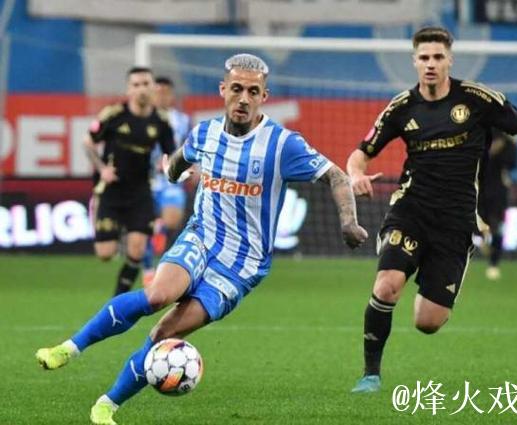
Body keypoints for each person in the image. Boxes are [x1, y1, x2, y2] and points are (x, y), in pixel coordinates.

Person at [36, 53, 368, 425]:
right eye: (237, 89)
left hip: (241, 265)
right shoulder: (205, 133)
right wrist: (173, 171)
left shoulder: (282, 144)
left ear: (264, 97)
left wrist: (349, 222)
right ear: (223, 90)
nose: (244, 98)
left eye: (253, 92)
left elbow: (336, 176)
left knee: (164, 332)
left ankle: (106, 406)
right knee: (157, 296)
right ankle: (69, 348)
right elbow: (177, 162)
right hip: (201, 237)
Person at [347, 26, 517, 393]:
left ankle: (435, 286)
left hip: (455, 222)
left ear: (450, 60)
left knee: (428, 321)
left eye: (438, 57)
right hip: (410, 211)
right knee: (388, 285)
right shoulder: (401, 107)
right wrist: (355, 175)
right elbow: (360, 153)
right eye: (424, 57)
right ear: (414, 61)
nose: (430, 64)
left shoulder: (477, 99)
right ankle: (370, 375)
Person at [85, 66, 175, 296]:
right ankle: (100, 212)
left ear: (153, 88)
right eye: (136, 85)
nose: (141, 89)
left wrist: (165, 165)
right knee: (105, 253)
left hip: (140, 191)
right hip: (111, 190)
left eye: (146, 84)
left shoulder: (161, 121)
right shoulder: (113, 115)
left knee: (137, 250)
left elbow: (170, 153)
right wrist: (102, 169)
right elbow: (88, 142)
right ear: (129, 89)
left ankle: (116, 301)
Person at [142, 76, 193, 284]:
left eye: (165, 92)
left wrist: (193, 167)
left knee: (172, 220)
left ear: (172, 96)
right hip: (144, 179)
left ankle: (160, 233)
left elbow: (189, 147)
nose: (161, 96)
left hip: (170, 179)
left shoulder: (183, 120)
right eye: (158, 92)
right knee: (143, 224)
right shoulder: (142, 117)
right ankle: (148, 268)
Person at [479, 129, 517, 280]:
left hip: (498, 190)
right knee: (475, 221)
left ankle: (493, 264)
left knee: (497, 226)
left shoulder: (508, 141)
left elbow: (512, 164)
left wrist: (506, 146)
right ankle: (481, 240)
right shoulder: (479, 134)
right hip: (477, 187)